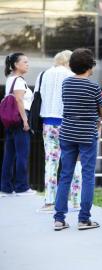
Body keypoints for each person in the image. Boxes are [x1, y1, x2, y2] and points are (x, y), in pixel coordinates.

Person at [53, 48, 102, 231]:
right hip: (87, 135)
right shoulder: (94, 87)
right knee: (88, 176)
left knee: (65, 175)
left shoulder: (66, 83)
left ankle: (59, 219)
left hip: (67, 134)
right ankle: (84, 219)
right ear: (90, 66)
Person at [36, 50, 83, 212]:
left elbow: (39, 95)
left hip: (48, 123)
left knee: (51, 162)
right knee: (74, 160)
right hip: (69, 123)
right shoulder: (72, 76)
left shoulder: (43, 75)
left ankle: (49, 202)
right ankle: (77, 200)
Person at [0, 53, 36, 197]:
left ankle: (6, 187)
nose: (27, 64)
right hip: (20, 118)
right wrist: (25, 121)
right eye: (25, 62)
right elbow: (19, 101)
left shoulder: (10, 79)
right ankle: (21, 187)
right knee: (22, 153)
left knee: (9, 154)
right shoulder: (19, 81)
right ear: (16, 64)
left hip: (11, 120)